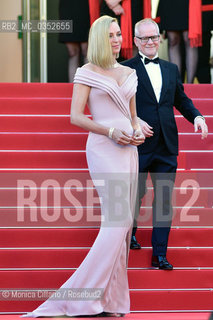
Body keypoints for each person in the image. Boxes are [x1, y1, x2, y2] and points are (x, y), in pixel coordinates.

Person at [21, 15, 144, 318]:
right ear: (101, 38)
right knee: (116, 222)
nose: (117, 39)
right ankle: (80, 297)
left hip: (129, 151)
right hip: (104, 149)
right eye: (111, 35)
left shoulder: (129, 72)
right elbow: (76, 116)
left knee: (124, 225)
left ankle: (112, 301)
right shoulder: (86, 71)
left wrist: (136, 129)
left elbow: (132, 115)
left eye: (119, 34)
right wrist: (110, 132)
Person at [122, 18, 208, 270]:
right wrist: (134, 120)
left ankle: (159, 254)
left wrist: (197, 117)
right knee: (135, 195)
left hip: (167, 144)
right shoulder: (126, 69)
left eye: (154, 37)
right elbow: (117, 104)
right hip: (138, 142)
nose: (150, 42)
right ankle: (131, 234)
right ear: (136, 41)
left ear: (160, 38)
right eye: (145, 38)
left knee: (163, 200)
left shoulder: (171, 69)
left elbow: (181, 99)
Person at [157, 0, 201, 83]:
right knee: (173, 40)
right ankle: (177, 83)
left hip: (188, 3)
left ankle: (190, 84)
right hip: (170, 3)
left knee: (189, 39)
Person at [59, 0, 90, 82]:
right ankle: (72, 89)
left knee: (87, 50)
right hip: (68, 7)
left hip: (86, 7)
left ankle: (89, 88)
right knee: (72, 52)